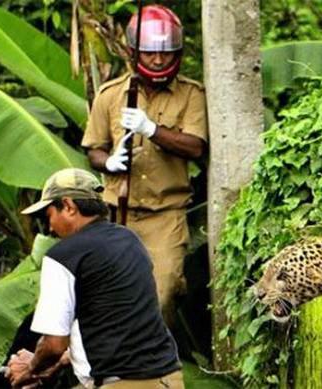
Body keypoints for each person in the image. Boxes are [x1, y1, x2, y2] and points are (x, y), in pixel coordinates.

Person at [81, 4, 208, 329]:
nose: (158, 60)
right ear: (134, 52)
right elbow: (93, 149)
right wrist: (108, 162)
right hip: (117, 215)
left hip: (165, 216)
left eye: (166, 53)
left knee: (162, 293)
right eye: (151, 53)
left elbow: (195, 146)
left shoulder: (191, 94)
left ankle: (154, 368)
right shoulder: (110, 96)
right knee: (110, 299)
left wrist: (152, 130)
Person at [4, 168, 183, 389]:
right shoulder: (128, 239)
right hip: (168, 379)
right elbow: (115, 325)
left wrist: (29, 368)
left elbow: (53, 344)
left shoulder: (63, 256)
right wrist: (62, 360)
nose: (49, 227)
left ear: (68, 206)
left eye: (49, 215)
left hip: (121, 382)